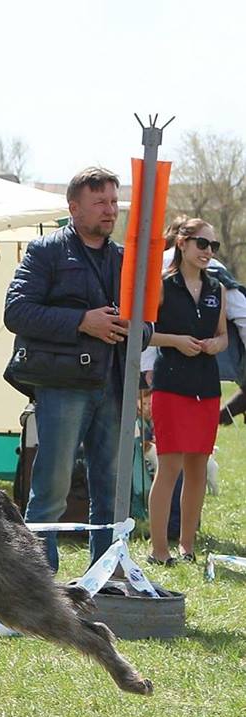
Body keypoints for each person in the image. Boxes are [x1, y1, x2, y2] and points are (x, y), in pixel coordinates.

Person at [3, 167, 152, 572]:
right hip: (63, 386)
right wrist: (82, 321)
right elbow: (16, 312)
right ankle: (38, 579)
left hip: (115, 385)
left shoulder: (126, 259)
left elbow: (149, 322)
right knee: (52, 486)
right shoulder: (45, 252)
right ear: (74, 207)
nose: (110, 211)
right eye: (100, 202)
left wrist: (139, 327)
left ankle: (107, 575)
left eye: (113, 202)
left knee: (112, 488)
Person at [146, 218, 227, 565]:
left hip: (206, 388)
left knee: (198, 467)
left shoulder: (217, 289)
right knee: (170, 467)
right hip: (170, 385)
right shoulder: (163, 286)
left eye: (213, 246)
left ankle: (187, 546)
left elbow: (224, 336)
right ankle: (159, 549)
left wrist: (215, 345)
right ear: (182, 243)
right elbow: (144, 333)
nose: (208, 251)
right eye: (202, 244)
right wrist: (176, 341)